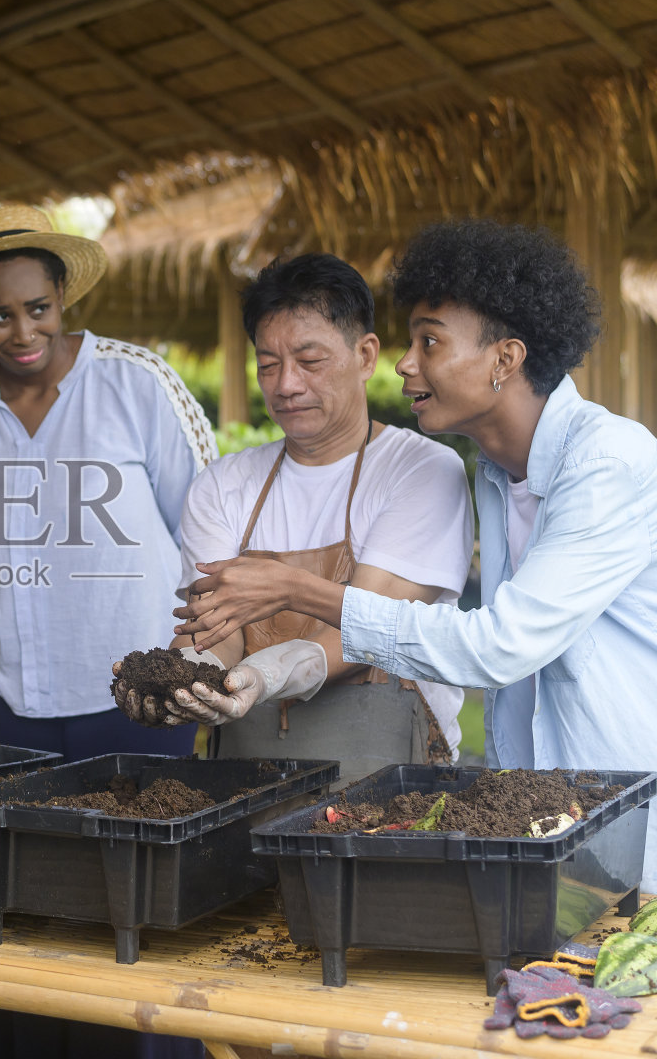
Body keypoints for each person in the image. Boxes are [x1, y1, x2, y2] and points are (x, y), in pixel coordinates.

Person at [174, 220, 657, 1057]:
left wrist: (300, 589)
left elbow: (502, 647)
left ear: (505, 358)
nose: (406, 365)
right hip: (604, 817)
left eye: (429, 342)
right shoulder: (498, 471)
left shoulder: (607, 465)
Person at [0, 203, 213, 1059]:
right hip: (11, 696)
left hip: (140, 699)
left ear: (62, 300)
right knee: (22, 910)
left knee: (137, 914)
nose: (22, 330)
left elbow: (205, 530)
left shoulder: (136, 381)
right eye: (0, 314)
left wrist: (200, 666)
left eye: (37, 308)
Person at [117, 253, 475, 782]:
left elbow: (373, 625)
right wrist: (195, 679)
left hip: (388, 787)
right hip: (245, 783)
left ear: (365, 354)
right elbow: (212, 627)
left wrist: (259, 678)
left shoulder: (421, 470)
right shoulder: (222, 485)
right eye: (267, 364)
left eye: (310, 361)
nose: (286, 385)